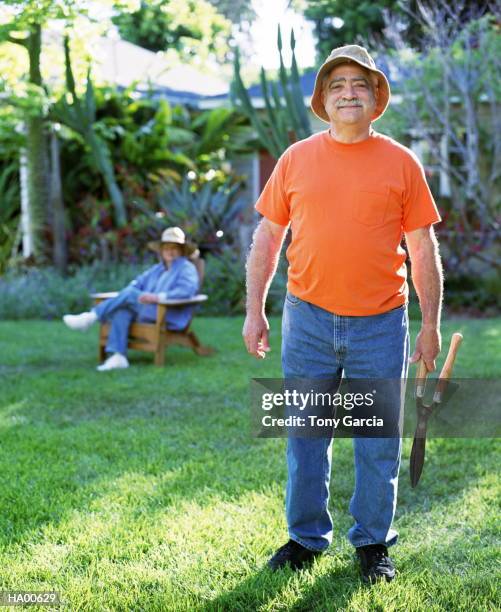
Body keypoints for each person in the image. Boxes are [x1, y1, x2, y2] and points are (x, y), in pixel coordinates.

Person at [242, 45, 443, 583]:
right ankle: (306, 539)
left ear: (375, 97)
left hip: (380, 323)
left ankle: (373, 543)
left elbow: (421, 248)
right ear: (323, 100)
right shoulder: (295, 159)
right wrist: (254, 309)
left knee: (377, 441)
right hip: (306, 319)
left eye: (359, 83)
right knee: (305, 435)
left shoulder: (402, 162)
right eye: (337, 85)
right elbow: (267, 235)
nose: (348, 92)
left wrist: (430, 325)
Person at [63, 227, 200, 371]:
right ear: (161, 250)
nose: (170, 251)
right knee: (122, 309)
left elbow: (187, 290)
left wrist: (157, 297)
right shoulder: (157, 269)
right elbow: (137, 282)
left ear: (182, 250)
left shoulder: (186, 268)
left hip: (168, 313)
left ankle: (91, 317)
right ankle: (118, 357)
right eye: (166, 247)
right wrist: (133, 293)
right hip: (149, 310)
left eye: (174, 248)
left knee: (129, 295)